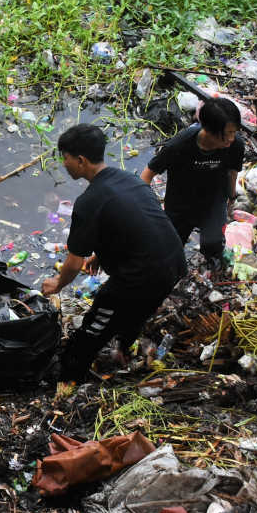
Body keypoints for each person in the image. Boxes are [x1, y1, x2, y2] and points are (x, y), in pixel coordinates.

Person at [41, 124, 185, 382]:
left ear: (81, 160)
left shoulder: (89, 201)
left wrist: (57, 283)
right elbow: (138, 223)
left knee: (95, 325)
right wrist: (100, 255)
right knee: (138, 312)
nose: (64, 164)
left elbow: (74, 264)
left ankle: (70, 375)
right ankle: (123, 350)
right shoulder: (129, 179)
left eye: (66, 158)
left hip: (142, 277)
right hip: (174, 263)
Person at [140, 97, 245, 267]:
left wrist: (231, 197)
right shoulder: (180, 145)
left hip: (213, 199)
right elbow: (147, 174)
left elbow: (232, 172)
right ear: (208, 130)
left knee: (213, 243)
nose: (232, 139)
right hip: (180, 202)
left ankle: (211, 262)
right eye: (227, 134)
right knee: (171, 246)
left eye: (234, 132)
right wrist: (143, 207)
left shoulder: (235, 145)